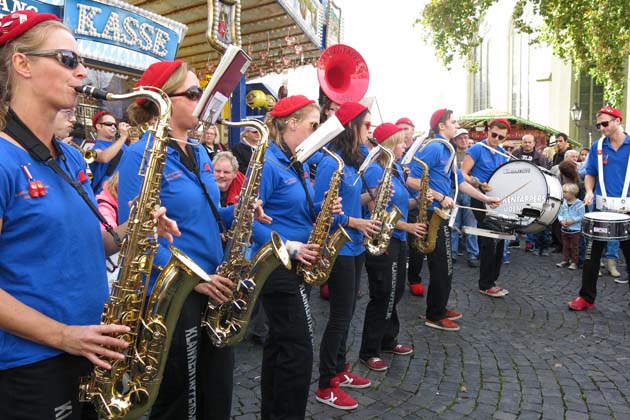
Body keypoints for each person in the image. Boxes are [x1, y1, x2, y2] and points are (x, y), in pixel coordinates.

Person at [0, 11, 177, 420]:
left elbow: (87, 241)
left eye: (82, 62)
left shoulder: (71, 156)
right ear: (22, 63)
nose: (82, 73)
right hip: (32, 367)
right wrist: (64, 336)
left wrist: (133, 229)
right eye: (68, 60)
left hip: (90, 350)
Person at [118, 59, 235, 420]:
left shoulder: (200, 151)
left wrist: (241, 211)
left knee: (217, 386)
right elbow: (136, 237)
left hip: (214, 284)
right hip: (176, 294)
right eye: (194, 93)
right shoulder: (140, 155)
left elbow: (203, 214)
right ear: (163, 101)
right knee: (177, 397)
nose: (202, 102)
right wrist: (194, 280)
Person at [250, 95, 338, 419]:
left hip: (294, 266)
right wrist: (291, 247)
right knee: (299, 349)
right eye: (313, 125)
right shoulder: (268, 163)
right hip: (279, 267)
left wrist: (325, 210)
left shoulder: (293, 162)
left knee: (281, 345)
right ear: (292, 124)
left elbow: (293, 211)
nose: (316, 132)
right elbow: (249, 219)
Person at [406, 109, 501, 331]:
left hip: (442, 213)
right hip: (432, 212)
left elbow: (460, 183)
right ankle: (434, 314)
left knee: (446, 264)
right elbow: (411, 179)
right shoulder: (435, 148)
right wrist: (440, 196)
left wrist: (486, 198)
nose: (456, 125)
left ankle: (439, 305)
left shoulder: (447, 149)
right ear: (441, 126)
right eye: (453, 121)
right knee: (441, 264)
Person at [314, 101, 382, 410]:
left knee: (349, 312)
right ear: (352, 126)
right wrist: (354, 222)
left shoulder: (355, 160)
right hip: (339, 246)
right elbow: (320, 209)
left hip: (355, 245)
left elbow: (354, 200)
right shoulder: (331, 162)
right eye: (367, 125)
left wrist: (375, 196)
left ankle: (340, 370)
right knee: (340, 317)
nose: (370, 131)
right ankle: (325, 383)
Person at [358, 123, 427, 372]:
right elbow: (377, 209)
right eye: (401, 142)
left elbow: (400, 204)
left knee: (395, 291)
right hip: (382, 238)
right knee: (383, 293)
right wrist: (408, 228)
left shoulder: (395, 168)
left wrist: (418, 199)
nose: (405, 146)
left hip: (396, 237)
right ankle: (369, 350)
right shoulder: (376, 171)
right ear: (388, 145)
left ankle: (388, 339)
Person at [569, 106, 630, 311]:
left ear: (617, 120)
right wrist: (588, 191)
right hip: (602, 210)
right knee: (591, 256)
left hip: (627, 210)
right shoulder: (597, 146)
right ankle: (586, 297)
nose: (602, 128)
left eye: (605, 123)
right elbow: (590, 173)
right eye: (599, 125)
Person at [460, 118, 511, 298]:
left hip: (496, 200)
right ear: (488, 131)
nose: (497, 139)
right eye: (494, 134)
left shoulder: (502, 152)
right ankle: (485, 283)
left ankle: (492, 279)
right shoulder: (477, 149)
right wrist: (479, 183)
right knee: (489, 240)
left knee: (501, 239)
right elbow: (462, 174)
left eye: (501, 137)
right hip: (480, 200)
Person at [450, 128, 479, 267]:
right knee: (454, 224)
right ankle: (452, 253)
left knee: (471, 225)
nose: (464, 140)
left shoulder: (473, 153)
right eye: (460, 138)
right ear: (455, 140)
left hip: (469, 191)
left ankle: (473, 255)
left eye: (466, 137)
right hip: (453, 190)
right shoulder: (450, 154)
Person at [89, 110, 130, 193]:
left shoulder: (122, 145)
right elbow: (104, 158)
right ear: (98, 126)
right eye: (109, 124)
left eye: (115, 125)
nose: (113, 127)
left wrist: (134, 140)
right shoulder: (94, 149)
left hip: (123, 192)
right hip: (104, 195)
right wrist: (123, 137)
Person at [555, 183, 584, 270]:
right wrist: (561, 220)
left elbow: (582, 216)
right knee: (565, 246)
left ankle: (574, 262)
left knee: (574, 247)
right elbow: (560, 213)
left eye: (565, 192)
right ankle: (565, 260)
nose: (563, 194)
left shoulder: (580, 203)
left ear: (572, 193)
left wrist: (573, 220)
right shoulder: (563, 203)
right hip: (564, 229)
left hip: (575, 230)